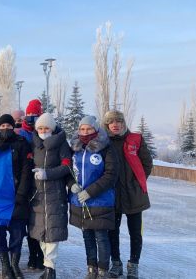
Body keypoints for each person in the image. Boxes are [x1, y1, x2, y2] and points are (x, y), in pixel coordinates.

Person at [103, 110, 153, 279]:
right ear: (107, 125)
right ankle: (115, 263)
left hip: (134, 194)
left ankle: (134, 264)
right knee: (112, 231)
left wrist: (137, 182)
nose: (115, 124)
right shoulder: (103, 142)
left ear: (124, 123)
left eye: (118, 121)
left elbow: (147, 163)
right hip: (112, 194)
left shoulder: (135, 140)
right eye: (111, 122)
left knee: (135, 232)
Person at [68, 116, 118, 279]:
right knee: (87, 235)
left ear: (96, 129)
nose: (85, 132)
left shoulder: (106, 148)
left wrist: (91, 191)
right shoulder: (75, 148)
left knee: (101, 237)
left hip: (100, 200)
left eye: (88, 128)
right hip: (80, 202)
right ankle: (91, 268)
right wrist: (71, 184)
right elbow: (68, 170)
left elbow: (111, 175)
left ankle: (103, 270)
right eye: (82, 129)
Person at [0, 114, 32, 279]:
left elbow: (27, 170)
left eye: (9, 125)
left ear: (13, 127)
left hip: (17, 196)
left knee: (17, 232)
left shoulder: (22, 143)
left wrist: (21, 193)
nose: (6, 128)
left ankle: (15, 264)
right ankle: (5, 265)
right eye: (3, 126)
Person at [29, 113, 72, 279]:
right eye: (40, 128)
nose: (43, 130)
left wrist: (48, 174)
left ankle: (50, 269)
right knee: (41, 233)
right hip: (37, 196)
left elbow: (67, 167)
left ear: (52, 129)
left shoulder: (61, 144)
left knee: (52, 234)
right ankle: (48, 265)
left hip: (55, 194)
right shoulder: (33, 144)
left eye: (46, 128)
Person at [16, 99, 45, 270]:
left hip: (40, 184)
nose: (31, 118)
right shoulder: (20, 133)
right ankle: (32, 253)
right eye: (29, 115)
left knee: (37, 222)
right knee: (26, 221)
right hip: (24, 182)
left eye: (35, 115)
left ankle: (39, 254)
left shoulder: (42, 133)